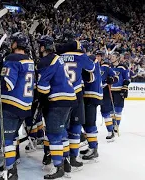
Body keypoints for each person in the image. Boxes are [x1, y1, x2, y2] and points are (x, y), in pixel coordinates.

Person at [0, 32, 35, 180]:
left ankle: (11, 172)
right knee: (12, 136)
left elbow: (8, 84)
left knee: (5, 139)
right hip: (25, 106)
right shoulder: (29, 61)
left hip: (12, 105)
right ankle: (9, 164)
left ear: (16, 44)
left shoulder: (13, 59)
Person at [36, 35, 77, 179]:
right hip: (70, 99)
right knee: (62, 133)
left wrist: (40, 100)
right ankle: (66, 163)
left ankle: (58, 167)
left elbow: (43, 87)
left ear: (43, 47)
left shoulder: (47, 61)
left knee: (54, 134)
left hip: (58, 100)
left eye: (40, 46)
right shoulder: (57, 58)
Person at [58, 32, 95, 171]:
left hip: (61, 94)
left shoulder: (58, 56)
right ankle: (74, 157)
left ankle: (64, 157)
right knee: (76, 126)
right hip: (76, 94)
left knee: (62, 127)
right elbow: (91, 68)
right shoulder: (79, 55)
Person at [81, 42, 102, 162]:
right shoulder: (91, 59)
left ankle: (93, 148)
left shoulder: (91, 59)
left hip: (91, 95)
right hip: (91, 95)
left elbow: (90, 77)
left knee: (89, 123)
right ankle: (91, 146)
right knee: (86, 123)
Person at [100, 52, 118, 142]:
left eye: (99, 56)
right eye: (97, 56)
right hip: (91, 92)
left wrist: (111, 80)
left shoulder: (106, 67)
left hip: (104, 93)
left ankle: (110, 131)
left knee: (105, 112)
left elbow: (116, 77)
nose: (97, 57)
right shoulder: (90, 65)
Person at [110, 52, 130, 134]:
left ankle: (116, 125)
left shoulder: (123, 67)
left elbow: (127, 79)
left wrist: (124, 89)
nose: (111, 58)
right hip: (110, 91)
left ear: (118, 58)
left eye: (113, 57)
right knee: (111, 110)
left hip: (119, 91)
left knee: (118, 109)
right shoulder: (109, 67)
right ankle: (111, 124)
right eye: (111, 56)